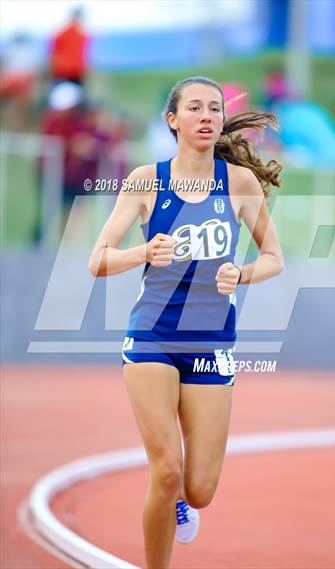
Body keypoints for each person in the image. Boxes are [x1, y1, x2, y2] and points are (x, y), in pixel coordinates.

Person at [88, 76, 285, 569]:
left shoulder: (237, 182)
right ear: (172, 120)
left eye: (214, 109)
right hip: (152, 337)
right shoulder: (144, 180)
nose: (206, 116)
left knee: (199, 490)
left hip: (212, 343)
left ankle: (181, 501)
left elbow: (274, 258)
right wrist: (143, 251)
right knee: (167, 471)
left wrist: (241, 273)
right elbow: (99, 259)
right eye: (194, 108)